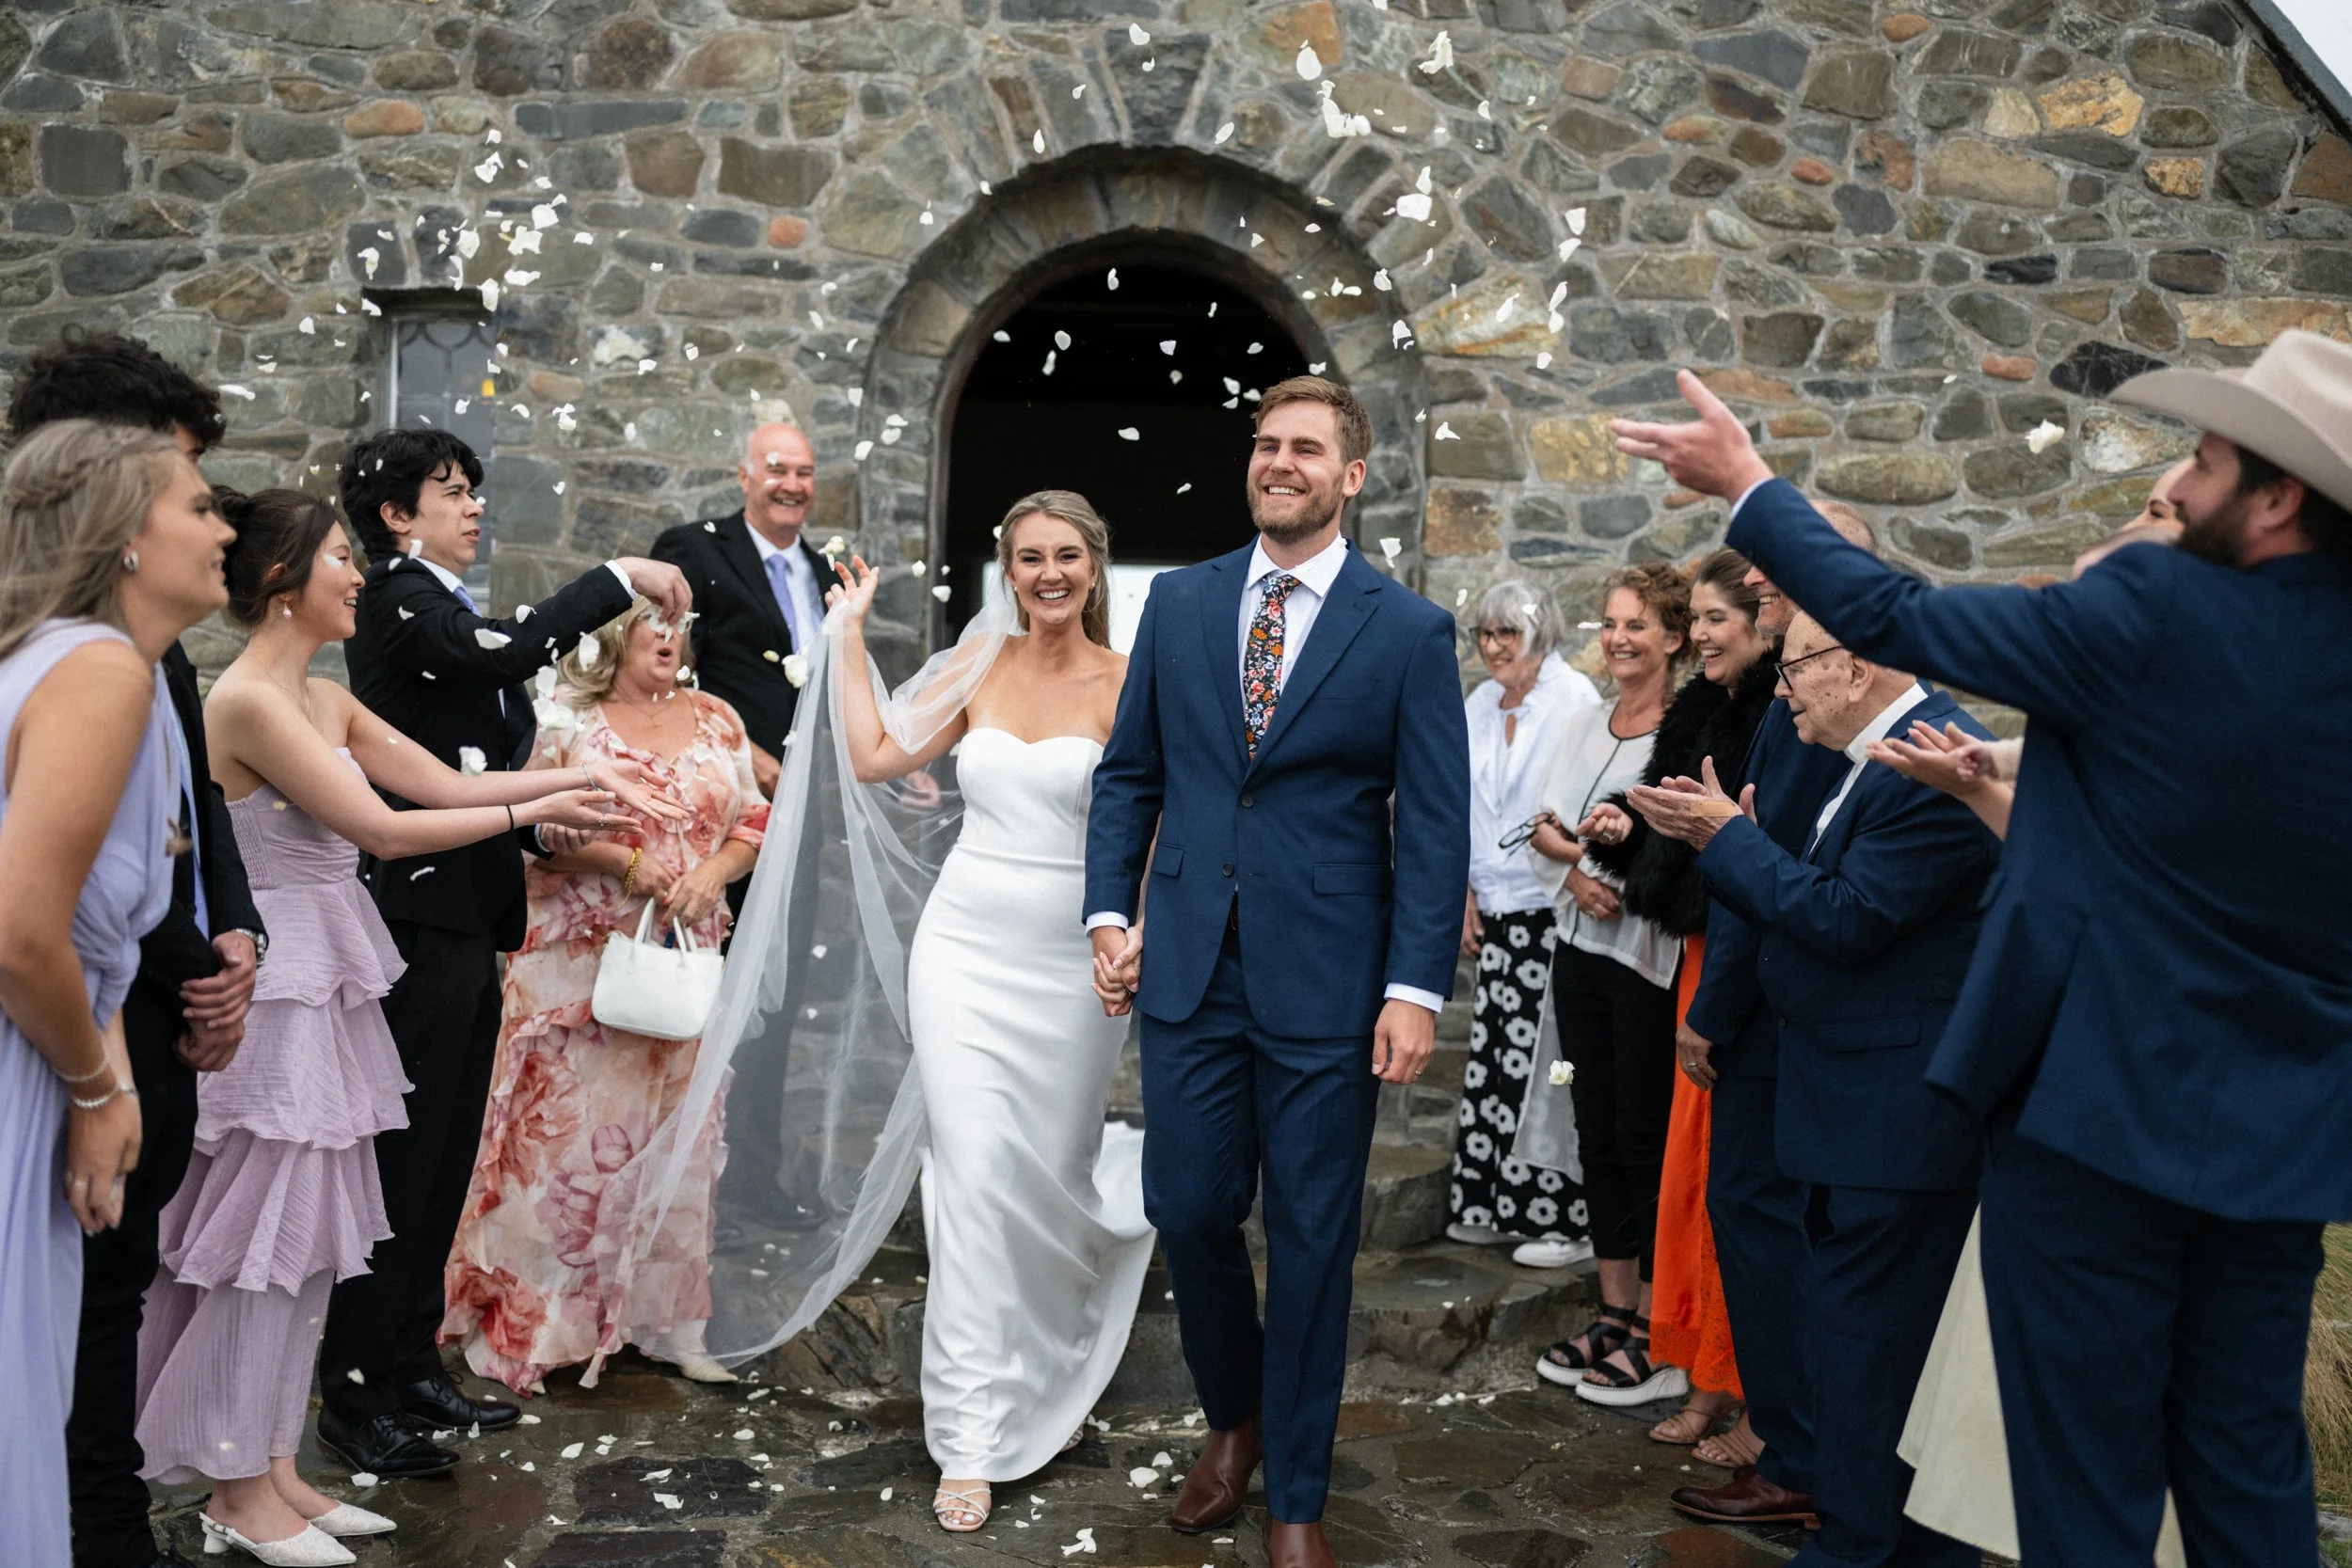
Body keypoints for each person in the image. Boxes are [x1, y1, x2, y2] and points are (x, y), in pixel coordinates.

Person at [1615, 334, 2352, 1568]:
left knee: (2086, 1467)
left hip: (2093, 1122)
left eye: (2210, 461)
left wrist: (1748, 482)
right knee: (2245, 1456)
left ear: (2278, 497)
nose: (2185, 478)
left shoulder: (2159, 607)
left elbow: (1899, 613)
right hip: (2281, 1135)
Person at [135, 490, 662, 1563]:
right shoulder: (248, 701)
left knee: (317, 1238)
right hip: (277, 985)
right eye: (341, 556)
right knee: (261, 1240)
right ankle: (235, 1487)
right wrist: (530, 815)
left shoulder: (323, 696)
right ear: (284, 582)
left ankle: (277, 1468)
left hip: (328, 981)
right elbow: (382, 821)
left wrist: (578, 778)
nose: (360, 575)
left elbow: (433, 777)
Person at [1086, 377, 1470, 1568]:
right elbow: (1130, 774)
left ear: (1351, 474)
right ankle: (1235, 1415)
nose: (1278, 461)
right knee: (1187, 1207)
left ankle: (1294, 1490)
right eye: (1265, 444)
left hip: (1332, 983)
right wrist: (1109, 909)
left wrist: (1412, 987)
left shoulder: (1405, 629)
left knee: (1311, 1238)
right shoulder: (1182, 602)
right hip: (1190, 965)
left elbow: (1437, 821)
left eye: (1305, 447)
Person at [317, 429, 693, 1479]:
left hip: (470, 917)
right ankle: (353, 1392)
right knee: (401, 1159)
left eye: (475, 491)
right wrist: (616, 577)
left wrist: (545, 833)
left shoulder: (442, 612)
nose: (474, 506)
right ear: (397, 515)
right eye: (453, 491)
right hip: (411, 921)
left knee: (443, 1156)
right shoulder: (398, 597)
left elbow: (482, 772)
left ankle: (407, 1359)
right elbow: (505, 653)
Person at [1633, 610, 1999, 1568]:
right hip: (1850, 1102)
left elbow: (1847, 920)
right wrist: (1742, 843)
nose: (1782, 687)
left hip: (1896, 1117)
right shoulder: (1867, 759)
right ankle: (1871, 1533)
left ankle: (1862, 1542)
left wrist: (1729, 844)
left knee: (1867, 1350)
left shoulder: (1931, 759)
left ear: (1857, 664)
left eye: (1794, 668)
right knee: (1854, 1343)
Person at [826, 490, 1153, 1532]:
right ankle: (967, 1432)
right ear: (1006, 572)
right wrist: (844, 633)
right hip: (963, 945)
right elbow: (877, 751)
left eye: (1065, 556)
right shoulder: (975, 668)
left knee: (1040, 1172)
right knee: (967, 1174)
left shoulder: (1128, 682)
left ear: (1093, 568)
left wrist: (1135, 932)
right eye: (1027, 558)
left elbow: (1150, 821)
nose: (1046, 573)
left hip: (1074, 958)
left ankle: (1047, 1344)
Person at [6, 333, 267, 1568]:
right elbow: (21, 926)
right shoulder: (99, 667)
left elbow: (147, 853)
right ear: (121, 515)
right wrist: (101, 1083)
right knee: (48, 1359)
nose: (228, 527)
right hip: (40, 1062)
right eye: (199, 499)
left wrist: (229, 934)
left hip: (77, 1030)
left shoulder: (76, 655)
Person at [442, 596, 767, 1393]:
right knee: (567, 1153)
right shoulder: (566, 722)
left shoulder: (718, 718)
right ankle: (539, 1330)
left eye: (680, 623)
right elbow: (533, 830)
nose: (670, 635)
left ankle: (667, 1324)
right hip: (578, 967)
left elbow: (756, 818)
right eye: (653, 619)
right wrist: (622, 862)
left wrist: (711, 873)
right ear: (615, 633)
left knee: (680, 1145)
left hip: (683, 961)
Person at [1651, 502, 1877, 1526]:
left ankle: (1801, 1454)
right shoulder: (1795, 676)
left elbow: (1777, 866)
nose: (1761, 584)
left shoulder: (1842, 684)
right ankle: (1797, 1443)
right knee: (1755, 1221)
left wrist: (1715, 1006)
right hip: (1767, 1001)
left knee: (1766, 1223)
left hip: (1777, 1013)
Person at [1578, 549, 1773, 1438]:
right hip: (1698, 940)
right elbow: (1671, 835)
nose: (1699, 636)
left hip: (1738, 951)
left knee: (1714, 1169)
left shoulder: (1773, 711)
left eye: (1712, 621)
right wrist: (1626, 830)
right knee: (1692, 1171)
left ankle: (1734, 1384)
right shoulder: (1701, 707)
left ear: (1761, 620)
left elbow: (1746, 851)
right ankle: (1698, 1365)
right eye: (1693, 619)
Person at [648, 423, 832, 1227]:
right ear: (745, 474)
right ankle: (678, 1176)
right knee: (706, 984)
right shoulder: (694, 547)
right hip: (719, 813)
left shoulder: (823, 572)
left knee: (774, 995)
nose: (791, 483)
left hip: (802, 817)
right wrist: (746, 753)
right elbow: (667, 664)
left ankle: (750, 1177)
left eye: (804, 471)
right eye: (777, 469)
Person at [1517, 565, 1688, 1407]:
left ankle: (1659, 1327)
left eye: (1637, 626)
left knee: (1640, 1133)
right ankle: (1614, 1312)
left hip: (1646, 961)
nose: (1618, 638)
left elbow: (1681, 845)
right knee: (1593, 1129)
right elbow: (1541, 821)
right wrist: (1578, 871)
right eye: (1611, 623)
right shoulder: (1585, 720)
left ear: (1675, 639)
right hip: (1578, 953)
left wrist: (1599, 868)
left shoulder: (1685, 730)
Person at [1448, 580, 1598, 1267]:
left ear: (1542, 635)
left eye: (1509, 632)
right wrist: (1467, 893)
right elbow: (1464, 807)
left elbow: (1586, 803)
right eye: (1485, 633)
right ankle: (1490, 1203)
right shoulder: (1478, 703)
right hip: (1498, 906)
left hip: (1554, 905)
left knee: (1556, 1065)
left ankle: (1565, 1216)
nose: (1494, 646)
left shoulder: (1575, 702)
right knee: (1496, 1057)